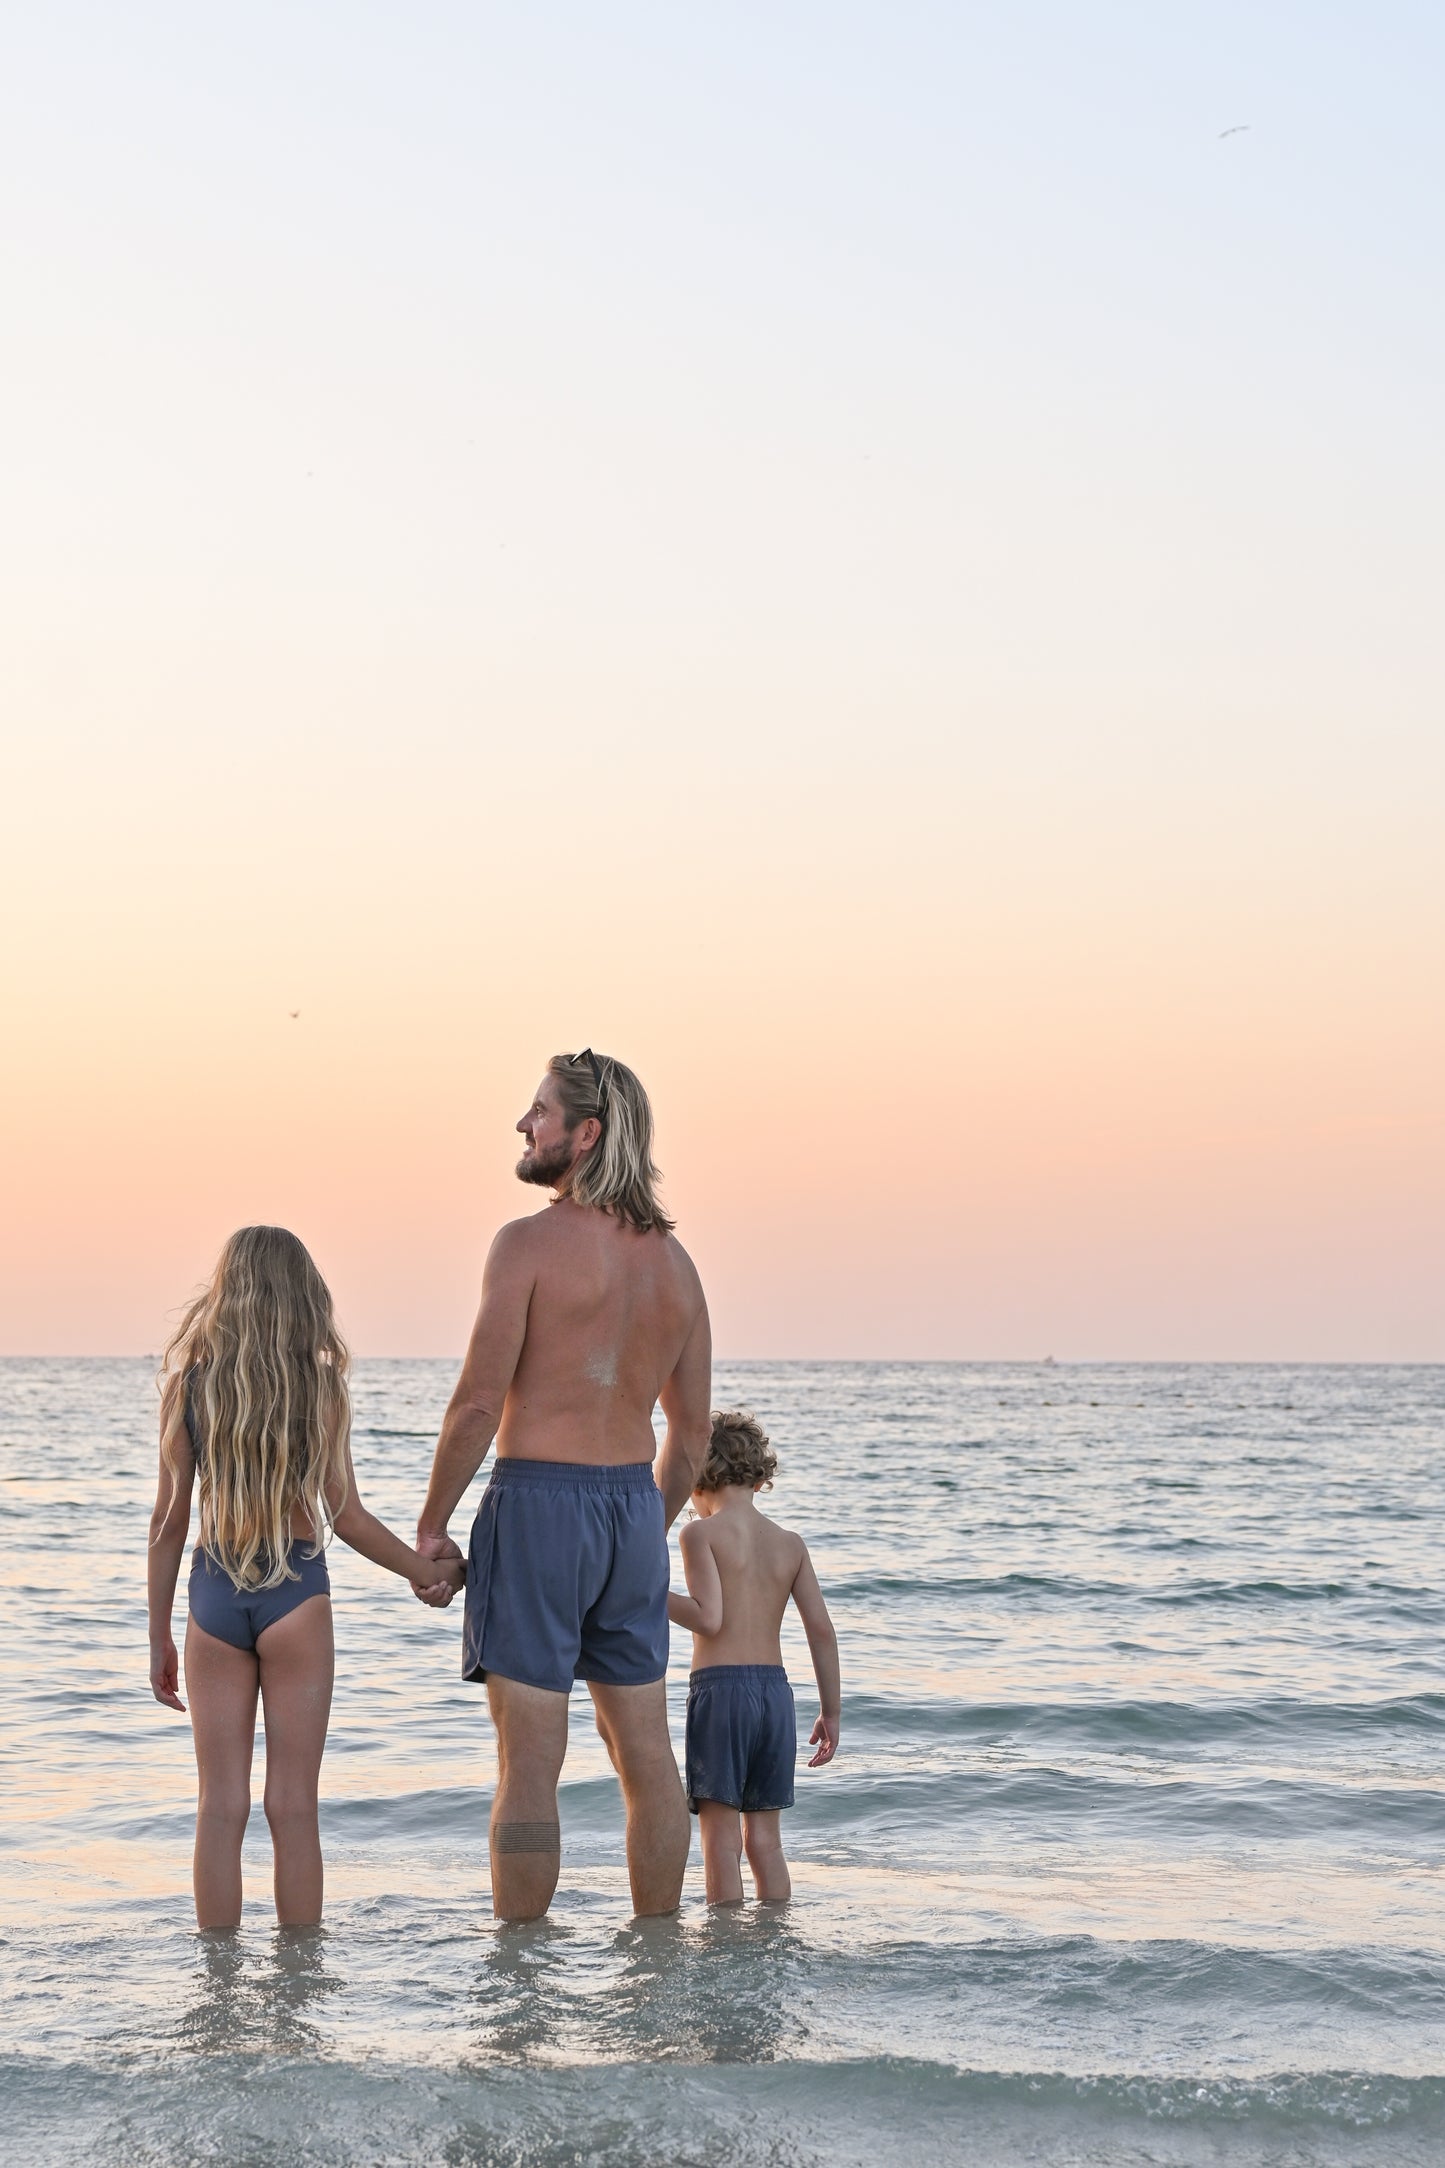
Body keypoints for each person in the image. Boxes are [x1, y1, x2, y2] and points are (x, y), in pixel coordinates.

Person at [413, 1051, 713, 1922]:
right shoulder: (678, 1267)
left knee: (529, 1764)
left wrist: (431, 1527)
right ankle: (656, 1964)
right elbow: (690, 1440)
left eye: (539, 1112)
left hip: (539, 1505)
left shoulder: (526, 1245)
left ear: (586, 1134)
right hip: (629, 1506)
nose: (523, 1124)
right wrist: (642, 1535)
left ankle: (520, 1987)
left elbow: (476, 1403)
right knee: (647, 1759)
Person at [146, 1225, 463, 1929]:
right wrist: (429, 1574)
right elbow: (345, 1517)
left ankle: (218, 1988)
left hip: (213, 1593)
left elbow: (168, 1524)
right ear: (302, 1295)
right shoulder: (319, 1384)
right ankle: (298, 1983)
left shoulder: (190, 1386)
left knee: (218, 1806)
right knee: (293, 1805)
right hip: (295, 1591)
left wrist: (158, 1636)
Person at [668, 1409, 840, 1905]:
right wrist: (831, 1712)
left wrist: (644, 1593)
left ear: (699, 1479)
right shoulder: (790, 1544)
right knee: (765, 1840)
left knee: (720, 1840)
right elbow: (822, 1632)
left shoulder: (699, 1534)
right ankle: (774, 1935)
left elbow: (708, 1618)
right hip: (775, 1695)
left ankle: (724, 1948)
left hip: (721, 1692)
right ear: (761, 1476)